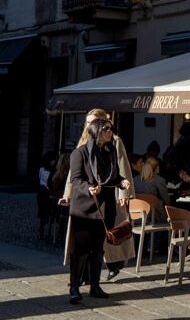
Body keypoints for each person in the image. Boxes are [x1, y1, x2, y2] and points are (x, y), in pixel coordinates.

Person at [67, 118, 130, 304]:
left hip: (104, 208)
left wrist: (121, 181)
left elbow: (111, 176)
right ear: (96, 132)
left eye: (110, 129)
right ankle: (74, 287)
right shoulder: (79, 154)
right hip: (84, 209)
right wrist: (89, 188)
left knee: (98, 248)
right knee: (80, 250)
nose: (110, 132)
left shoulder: (108, 153)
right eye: (106, 129)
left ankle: (95, 285)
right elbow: (76, 180)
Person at [38, 153, 56, 240]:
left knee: (44, 214)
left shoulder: (42, 170)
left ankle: (42, 231)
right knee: (44, 214)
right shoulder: (50, 172)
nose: (54, 161)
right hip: (45, 194)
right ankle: (42, 231)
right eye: (52, 160)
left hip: (43, 193)